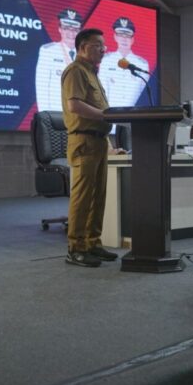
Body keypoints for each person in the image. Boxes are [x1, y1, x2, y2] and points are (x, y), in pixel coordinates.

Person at [61, 28, 124, 268]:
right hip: (83, 141)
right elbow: (75, 105)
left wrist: (108, 144)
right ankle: (76, 248)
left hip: (97, 141)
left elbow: (100, 119)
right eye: (98, 44)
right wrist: (106, 114)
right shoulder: (75, 71)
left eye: (104, 45)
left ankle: (93, 243)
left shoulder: (92, 73)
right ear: (83, 46)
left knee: (98, 196)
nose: (104, 49)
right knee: (83, 196)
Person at [35, 9, 83, 111]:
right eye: (67, 28)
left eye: (75, 29)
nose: (71, 33)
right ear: (60, 29)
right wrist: (45, 118)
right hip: (56, 114)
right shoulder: (48, 51)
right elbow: (42, 88)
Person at [99, 17, 150, 107]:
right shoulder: (106, 60)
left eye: (127, 35)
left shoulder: (142, 64)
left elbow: (144, 95)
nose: (124, 39)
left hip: (136, 115)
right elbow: (102, 92)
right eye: (121, 35)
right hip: (111, 115)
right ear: (115, 37)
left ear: (132, 39)